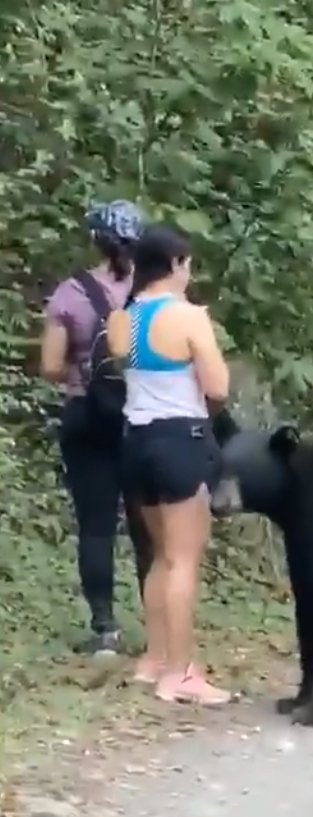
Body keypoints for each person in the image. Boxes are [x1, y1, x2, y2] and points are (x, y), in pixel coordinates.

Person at [106, 223, 232, 705]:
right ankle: (180, 673)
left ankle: (155, 658)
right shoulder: (188, 316)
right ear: (176, 265)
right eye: (188, 263)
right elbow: (217, 387)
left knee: (161, 554)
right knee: (184, 558)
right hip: (179, 438)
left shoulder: (125, 316)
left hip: (135, 439)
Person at [40, 199, 152, 656]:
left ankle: (105, 629)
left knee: (97, 526)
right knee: (149, 526)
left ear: (95, 240)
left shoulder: (71, 293)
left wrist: (82, 370)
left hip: (88, 416)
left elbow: (49, 366)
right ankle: (163, 630)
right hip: (143, 417)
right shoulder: (152, 293)